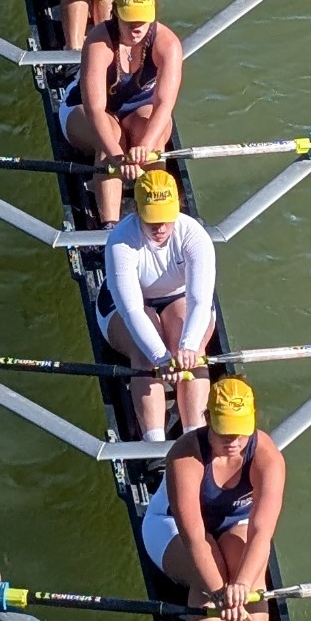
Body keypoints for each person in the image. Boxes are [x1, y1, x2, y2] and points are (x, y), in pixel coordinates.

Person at [141, 377, 286, 621]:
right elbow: (193, 535)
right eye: (223, 428)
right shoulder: (185, 454)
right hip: (168, 526)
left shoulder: (267, 456)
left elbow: (262, 532)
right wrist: (222, 592)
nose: (233, 439)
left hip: (236, 525)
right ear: (206, 419)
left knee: (252, 572)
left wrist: (243, 586)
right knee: (207, 576)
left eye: (240, 429)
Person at [99, 168, 213, 442]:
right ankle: (155, 447)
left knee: (194, 349)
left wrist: (186, 348)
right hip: (124, 309)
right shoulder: (121, 240)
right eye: (151, 219)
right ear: (136, 210)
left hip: (181, 300)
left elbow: (200, 300)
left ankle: (193, 440)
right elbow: (132, 310)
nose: (160, 227)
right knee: (144, 353)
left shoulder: (194, 235)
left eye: (166, 219)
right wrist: (160, 357)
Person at [63, 0, 182, 222]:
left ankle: (156, 216)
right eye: (129, 18)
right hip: (84, 112)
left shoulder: (168, 44)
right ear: (115, 12)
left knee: (154, 138)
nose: (136, 26)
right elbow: (95, 110)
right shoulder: (98, 40)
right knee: (109, 138)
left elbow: (164, 105)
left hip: (140, 111)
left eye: (142, 18)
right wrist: (119, 158)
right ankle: (110, 225)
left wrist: (145, 148)